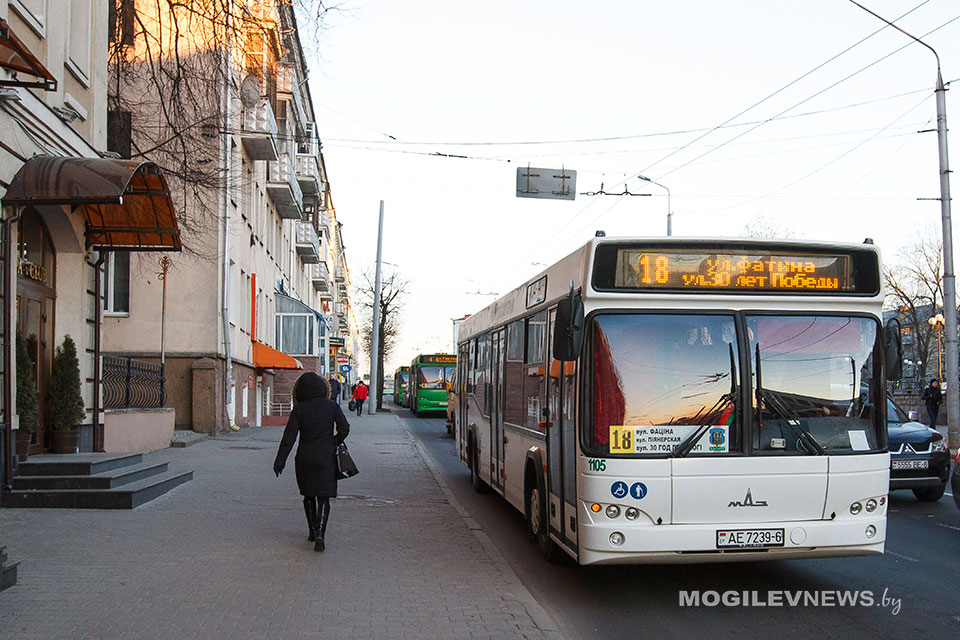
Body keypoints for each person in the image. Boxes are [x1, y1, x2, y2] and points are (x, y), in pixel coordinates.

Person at [273, 372, 349, 552]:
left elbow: (288, 437)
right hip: (326, 457)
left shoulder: (299, 409)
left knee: (308, 495)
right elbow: (344, 428)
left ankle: (312, 530)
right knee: (323, 496)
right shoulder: (332, 406)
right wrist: (334, 441)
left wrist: (280, 461)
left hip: (304, 457)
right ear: (323, 388)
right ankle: (321, 533)